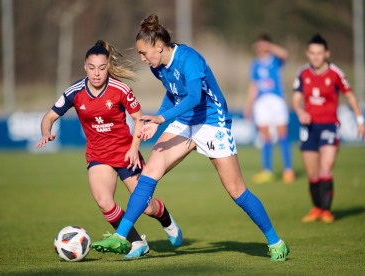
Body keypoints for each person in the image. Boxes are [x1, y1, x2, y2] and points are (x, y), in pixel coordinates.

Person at [91, 14, 289, 261]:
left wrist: (162, 120)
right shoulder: (157, 67)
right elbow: (173, 94)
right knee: (151, 170)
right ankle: (121, 237)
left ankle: (275, 241)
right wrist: (157, 123)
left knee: (237, 191)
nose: (142, 59)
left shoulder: (189, 58)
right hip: (186, 121)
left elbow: (194, 97)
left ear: (159, 47)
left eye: (144, 53)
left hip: (212, 122)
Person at [36, 40, 182, 258]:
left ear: (108, 67)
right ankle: (136, 243)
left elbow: (139, 118)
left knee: (147, 207)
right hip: (98, 156)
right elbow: (49, 117)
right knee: (104, 202)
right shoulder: (75, 92)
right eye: (92, 68)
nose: (97, 73)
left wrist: (134, 148)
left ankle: (166, 220)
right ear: (85, 66)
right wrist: (46, 133)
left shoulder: (120, 89)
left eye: (102, 68)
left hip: (125, 154)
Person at [292, 34, 365, 223]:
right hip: (308, 128)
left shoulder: (336, 73)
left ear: (327, 53)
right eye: (312, 53)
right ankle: (317, 208)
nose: (316, 57)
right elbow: (295, 99)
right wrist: (300, 112)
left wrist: (360, 119)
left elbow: (349, 96)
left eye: (319, 53)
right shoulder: (302, 73)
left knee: (326, 167)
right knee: (312, 173)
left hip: (329, 126)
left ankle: (326, 210)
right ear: (307, 53)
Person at [244, 34, 294, 185]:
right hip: (261, 102)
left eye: (263, 45)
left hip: (276, 100)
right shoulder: (255, 64)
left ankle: (288, 170)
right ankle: (267, 171)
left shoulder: (275, 60)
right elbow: (254, 86)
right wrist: (249, 106)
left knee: (282, 134)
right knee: (265, 137)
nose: (261, 48)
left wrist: (269, 46)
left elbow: (285, 54)